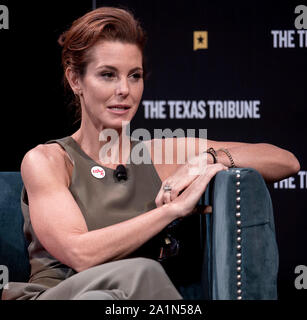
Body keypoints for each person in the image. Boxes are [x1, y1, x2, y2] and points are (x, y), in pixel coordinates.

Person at [2, 7, 300, 300]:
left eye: (134, 76)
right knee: (138, 276)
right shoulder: (47, 160)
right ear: (75, 80)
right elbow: (81, 254)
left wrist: (207, 159)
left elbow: (285, 160)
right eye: (108, 75)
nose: (124, 90)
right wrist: (171, 210)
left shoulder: (158, 154)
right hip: (58, 295)